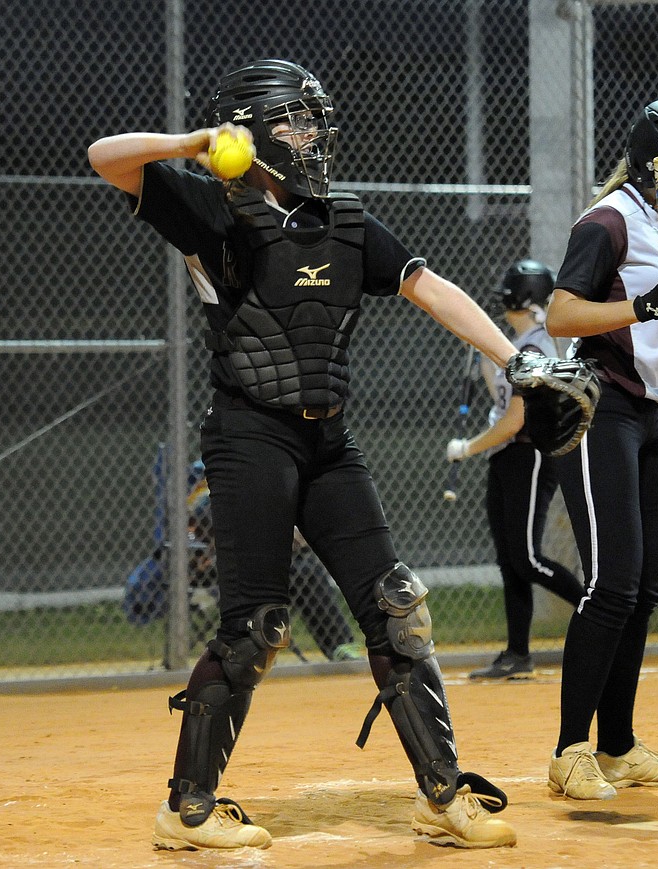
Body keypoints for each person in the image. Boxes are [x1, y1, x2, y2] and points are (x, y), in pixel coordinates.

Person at [88, 59, 518, 850]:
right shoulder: (213, 213)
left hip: (329, 442)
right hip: (249, 435)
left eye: (314, 120)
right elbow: (105, 155)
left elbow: (430, 287)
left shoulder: (345, 221)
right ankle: (187, 806)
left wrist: (514, 357)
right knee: (256, 623)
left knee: (397, 605)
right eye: (294, 120)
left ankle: (443, 793)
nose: (312, 135)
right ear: (252, 129)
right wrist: (196, 142)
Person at [542, 98, 658, 799]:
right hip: (601, 410)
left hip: (648, 412)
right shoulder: (609, 220)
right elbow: (563, 314)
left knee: (645, 589)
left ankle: (617, 745)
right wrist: (645, 306)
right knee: (610, 584)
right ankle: (568, 750)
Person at [445, 260, 585, 680]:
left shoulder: (537, 349)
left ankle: (599, 617)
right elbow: (501, 402)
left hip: (531, 453)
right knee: (509, 560)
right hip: (506, 457)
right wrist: (484, 360)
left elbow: (517, 420)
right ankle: (517, 654)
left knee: (525, 557)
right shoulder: (514, 344)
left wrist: (467, 448)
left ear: (522, 298)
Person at [124, 457, 363, 662]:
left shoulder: (268, 479)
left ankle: (338, 645)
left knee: (305, 569)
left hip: (263, 557)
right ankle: (253, 648)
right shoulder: (201, 480)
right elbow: (190, 529)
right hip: (215, 566)